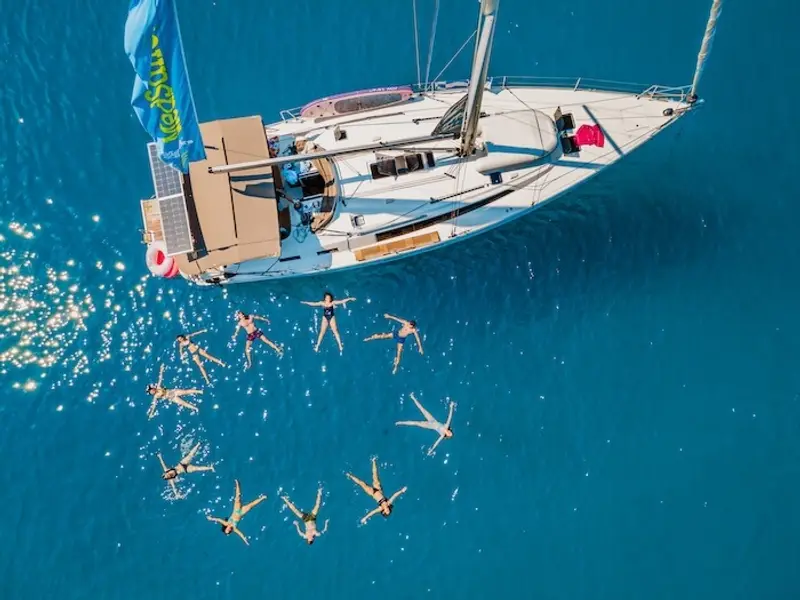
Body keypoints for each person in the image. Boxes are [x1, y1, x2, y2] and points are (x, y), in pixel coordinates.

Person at [346, 457, 407, 524]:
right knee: (375, 475)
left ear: (383, 511)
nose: (387, 509)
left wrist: (365, 518)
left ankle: (350, 475)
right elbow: (394, 496)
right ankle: (373, 460)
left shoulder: (380, 508)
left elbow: (372, 513)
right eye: (388, 510)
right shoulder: (388, 502)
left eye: (387, 511)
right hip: (378, 489)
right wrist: (401, 491)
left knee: (361, 483)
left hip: (372, 492)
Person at [206, 480, 267, 546]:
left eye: (227, 530)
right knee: (251, 505)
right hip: (241, 513)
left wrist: (211, 518)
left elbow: (218, 519)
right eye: (229, 531)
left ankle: (237, 484)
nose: (229, 529)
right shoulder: (234, 528)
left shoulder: (226, 523)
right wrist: (245, 541)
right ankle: (262, 498)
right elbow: (240, 534)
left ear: (226, 528)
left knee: (238, 496)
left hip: (236, 510)